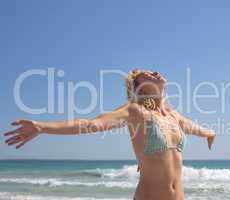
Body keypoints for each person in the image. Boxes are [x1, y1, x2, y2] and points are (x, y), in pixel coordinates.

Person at [4, 69, 215, 200]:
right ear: (139, 88)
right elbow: (91, 124)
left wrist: (209, 133)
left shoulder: (173, 116)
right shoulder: (134, 111)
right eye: (146, 74)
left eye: (155, 71)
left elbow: (194, 128)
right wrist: (42, 127)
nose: (154, 73)